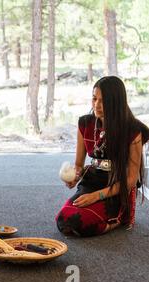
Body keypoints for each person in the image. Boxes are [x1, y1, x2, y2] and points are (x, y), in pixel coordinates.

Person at [56, 76, 149, 237]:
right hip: (92, 180)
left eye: (103, 100)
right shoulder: (85, 124)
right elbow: (79, 164)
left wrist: (96, 196)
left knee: (81, 224)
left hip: (116, 187)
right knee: (64, 220)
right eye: (94, 98)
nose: (96, 105)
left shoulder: (133, 130)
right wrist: (75, 177)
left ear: (116, 102)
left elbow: (131, 179)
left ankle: (121, 216)